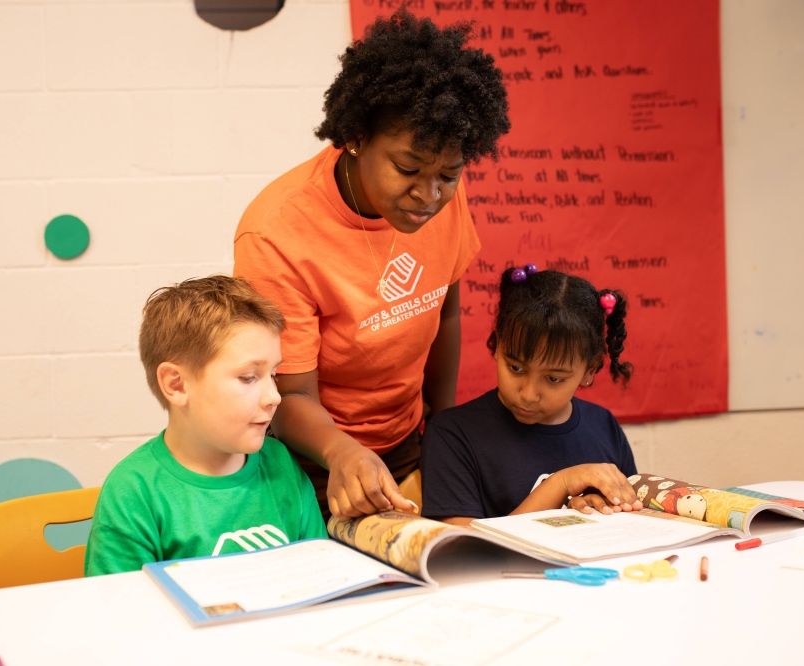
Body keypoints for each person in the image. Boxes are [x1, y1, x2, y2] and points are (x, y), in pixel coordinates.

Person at [233, 9, 510, 520]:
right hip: (309, 460)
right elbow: (288, 395)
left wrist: (443, 431)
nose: (429, 194)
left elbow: (445, 313)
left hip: (406, 441)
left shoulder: (439, 192)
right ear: (356, 137)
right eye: (407, 168)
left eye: (448, 175)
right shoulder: (278, 233)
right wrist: (343, 453)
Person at [85, 276, 326, 576]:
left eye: (273, 374)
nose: (274, 397)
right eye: (248, 378)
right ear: (176, 385)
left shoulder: (282, 465)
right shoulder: (133, 493)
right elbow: (122, 604)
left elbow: (324, 576)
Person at [420, 266, 642, 524]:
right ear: (497, 345)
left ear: (590, 370)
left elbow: (634, 519)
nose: (528, 394)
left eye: (554, 379)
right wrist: (560, 484)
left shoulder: (604, 427)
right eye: (516, 368)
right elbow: (460, 543)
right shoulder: (452, 434)